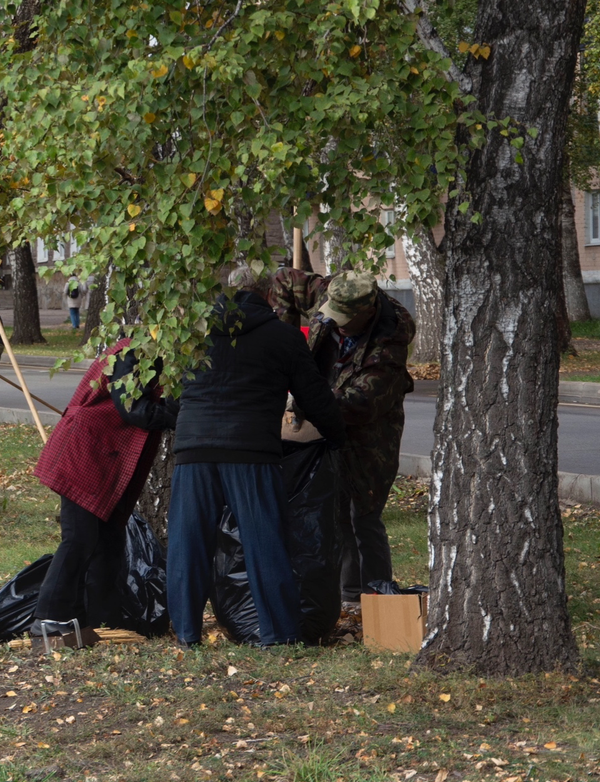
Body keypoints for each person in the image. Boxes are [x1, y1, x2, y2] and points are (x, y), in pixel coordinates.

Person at [166, 265, 347, 648]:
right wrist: (338, 437)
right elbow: (314, 398)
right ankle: (278, 633)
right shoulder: (281, 336)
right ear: (267, 295)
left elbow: (171, 394)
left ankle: (185, 633)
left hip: (193, 449)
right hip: (251, 450)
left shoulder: (192, 335)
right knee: (263, 540)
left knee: (188, 543)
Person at [270, 266, 415, 606]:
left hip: (371, 435)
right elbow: (283, 279)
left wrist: (305, 399)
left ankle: (375, 593)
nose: (335, 322)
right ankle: (346, 593)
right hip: (324, 414)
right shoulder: (332, 291)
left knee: (362, 512)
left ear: (367, 311)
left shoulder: (388, 345)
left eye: (345, 319)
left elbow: (359, 404)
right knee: (333, 506)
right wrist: (284, 340)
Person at [30, 341, 176, 652]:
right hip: (86, 452)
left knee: (108, 541)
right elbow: (134, 410)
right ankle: (48, 618)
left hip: (108, 457)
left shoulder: (160, 354)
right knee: (79, 538)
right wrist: (180, 409)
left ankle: (102, 619)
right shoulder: (130, 353)